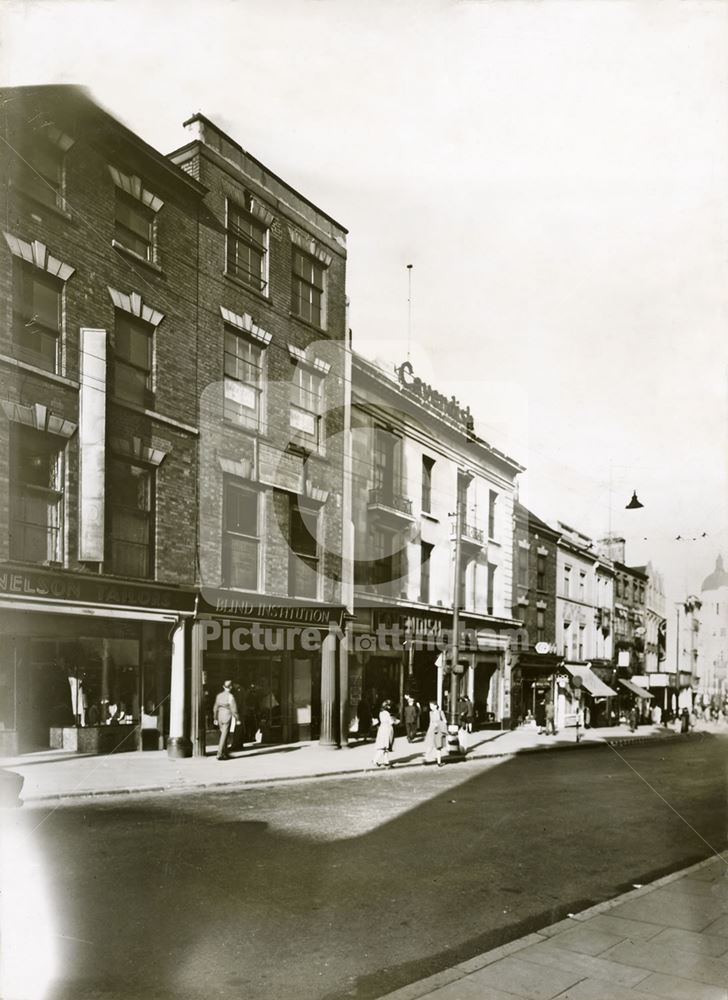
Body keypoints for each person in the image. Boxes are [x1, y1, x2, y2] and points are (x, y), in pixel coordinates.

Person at [212, 679, 239, 760]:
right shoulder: (230, 696)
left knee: (224, 734)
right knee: (224, 736)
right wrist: (237, 718)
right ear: (230, 687)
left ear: (223, 687)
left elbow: (215, 708)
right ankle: (219, 753)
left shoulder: (219, 696)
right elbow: (234, 709)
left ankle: (225, 753)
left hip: (220, 716)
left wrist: (215, 718)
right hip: (227, 716)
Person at [423, 701, 448, 767]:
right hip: (432, 730)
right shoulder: (430, 713)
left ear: (436, 706)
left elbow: (445, 721)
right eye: (430, 706)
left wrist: (439, 723)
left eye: (432, 706)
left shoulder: (440, 712)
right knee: (430, 745)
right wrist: (429, 731)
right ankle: (425, 758)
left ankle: (439, 762)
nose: (431, 707)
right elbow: (431, 722)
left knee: (438, 747)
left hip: (439, 730)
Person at [373, 699, 397, 767]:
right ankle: (375, 760)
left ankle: (386, 761)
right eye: (389, 706)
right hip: (387, 729)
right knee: (383, 747)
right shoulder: (386, 713)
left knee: (385, 747)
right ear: (387, 706)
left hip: (382, 728)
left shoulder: (381, 712)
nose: (390, 707)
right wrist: (395, 720)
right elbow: (391, 722)